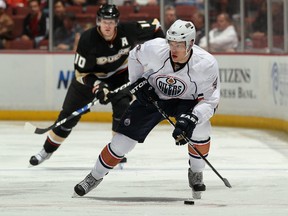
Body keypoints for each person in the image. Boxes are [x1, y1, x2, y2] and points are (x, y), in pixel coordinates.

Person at [74, 19, 220, 200]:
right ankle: (94, 176)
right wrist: (137, 82)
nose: (173, 49)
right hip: (154, 96)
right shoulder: (155, 48)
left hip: (187, 100)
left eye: (179, 45)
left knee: (201, 128)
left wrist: (192, 118)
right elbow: (134, 56)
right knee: (121, 142)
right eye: (171, 43)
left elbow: (211, 101)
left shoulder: (206, 64)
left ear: (190, 43)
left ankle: (196, 172)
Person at [29, 4, 165, 166]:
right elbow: (81, 74)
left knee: (122, 107)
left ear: (117, 22)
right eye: (104, 21)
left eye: (111, 21)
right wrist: (98, 87)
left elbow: (156, 26)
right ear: (98, 21)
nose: (108, 25)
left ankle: (116, 153)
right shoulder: (87, 40)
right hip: (91, 79)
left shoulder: (128, 30)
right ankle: (46, 151)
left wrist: (161, 56)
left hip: (119, 76)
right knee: (67, 117)